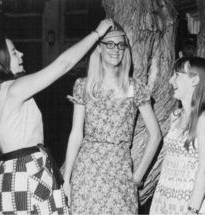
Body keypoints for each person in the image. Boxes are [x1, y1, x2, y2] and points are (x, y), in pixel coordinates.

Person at [0, 19, 114, 214]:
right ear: (0, 60)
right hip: (28, 171)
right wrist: (96, 34)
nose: (22, 54)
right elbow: (63, 64)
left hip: (11, 173)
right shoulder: (14, 89)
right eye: (15, 52)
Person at [63, 22, 162, 214]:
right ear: (99, 48)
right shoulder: (84, 86)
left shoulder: (135, 87)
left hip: (120, 172)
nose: (115, 49)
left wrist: (138, 176)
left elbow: (156, 135)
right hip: (87, 173)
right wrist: (67, 178)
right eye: (109, 43)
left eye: (120, 44)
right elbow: (76, 133)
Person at [150, 57, 205, 214]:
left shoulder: (204, 119)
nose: (171, 80)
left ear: (194, 80)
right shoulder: (176, 116)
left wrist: (192, 209)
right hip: (165, 197)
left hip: (189, 202)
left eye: (177, 75)